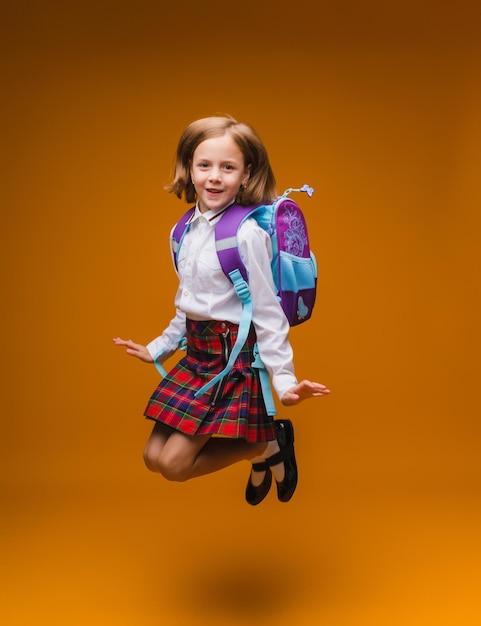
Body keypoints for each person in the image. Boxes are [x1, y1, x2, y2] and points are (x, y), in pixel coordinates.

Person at [113, 115, 330, 505]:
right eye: (205, 165)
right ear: (189, 170)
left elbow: (268, 313)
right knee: (152, 459)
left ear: (246, 174)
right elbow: (188, 301)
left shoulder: (246, 235)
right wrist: (158, 347)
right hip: (198, 354)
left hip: (232, 358)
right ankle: (266, 446)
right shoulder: (182, 231)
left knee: (176, 465)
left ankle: (268, 444)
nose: (215, 177)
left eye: (228, 167)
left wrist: (285, 382)